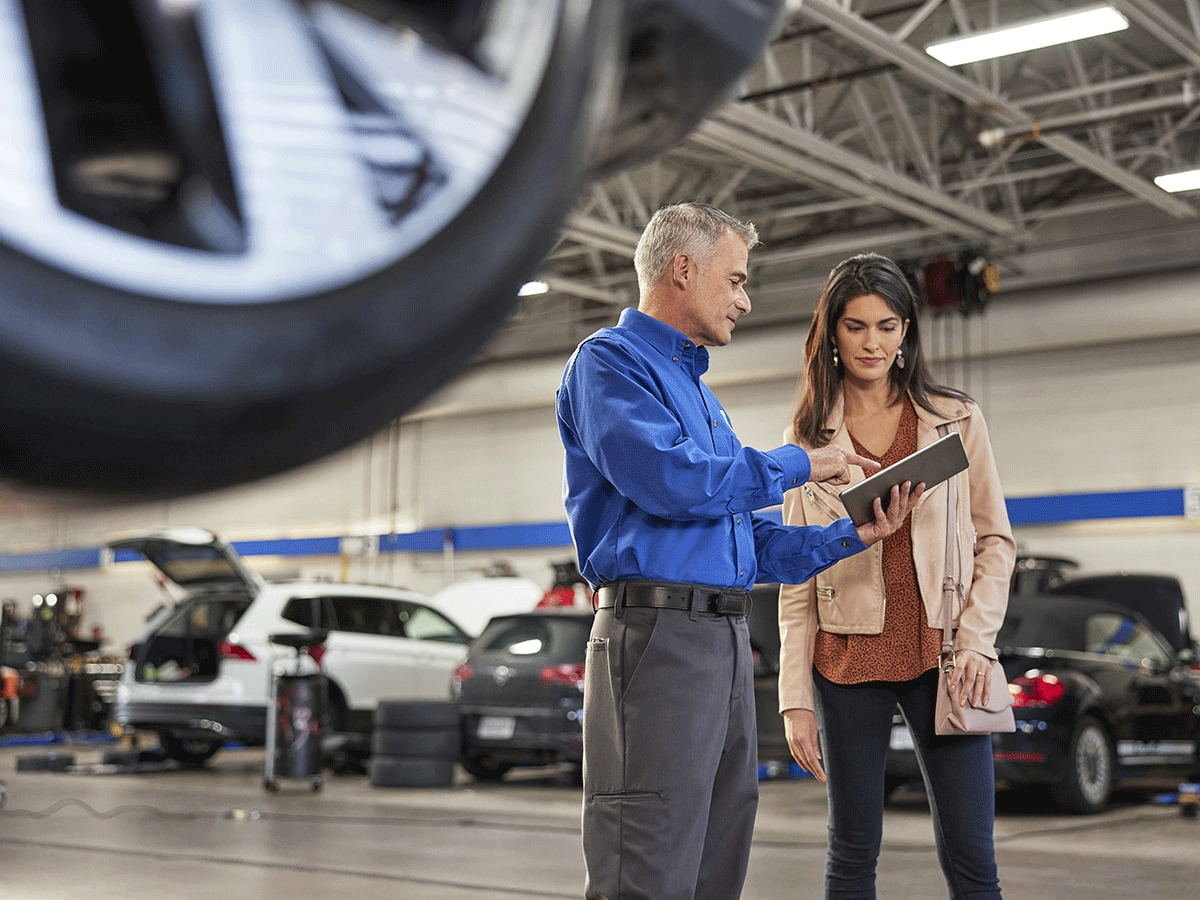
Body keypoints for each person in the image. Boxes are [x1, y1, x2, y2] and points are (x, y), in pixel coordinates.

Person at [555, 203, 922, 900]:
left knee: (718, 853)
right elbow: (671, 482)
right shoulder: (609, 364)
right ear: (683, 270)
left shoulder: (700, 394)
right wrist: (797, 463)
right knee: (649, 854)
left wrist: (851, 533)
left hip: (719, 640)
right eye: (736, 280)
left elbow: (740, 538)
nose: (745, 300)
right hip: (656, 637)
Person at [777, 252, 1016, 899]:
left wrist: (977, 640)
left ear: (907, 330)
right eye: (856, 326)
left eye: (886, 325)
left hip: (946, 655)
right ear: (832, 333)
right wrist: (794, 698)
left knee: (973, 855)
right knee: (852, 852)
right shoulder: (806, 443)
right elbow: (796, 580)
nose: (872, 342)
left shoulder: (957, 418)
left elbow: (996, 539)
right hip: (847, 659)